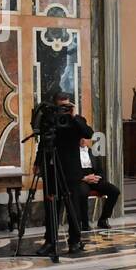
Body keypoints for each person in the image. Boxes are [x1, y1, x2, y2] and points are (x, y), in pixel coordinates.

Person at [39, 91, 93, 257]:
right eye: (61, 106)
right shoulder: (49, 120)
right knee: (51, 208)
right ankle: (50, 242)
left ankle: (75, 241)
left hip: (71, 171)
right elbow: (43, 141)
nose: (64, 109)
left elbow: (88, 133)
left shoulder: (77, 120)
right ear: (55, 105)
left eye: (67, 106)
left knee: (73, 208)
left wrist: (74, 116)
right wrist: (37, 163)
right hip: (52, 169)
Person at [75, 137, 120, 230]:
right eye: (81, 138)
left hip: (94, 179)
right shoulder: (72, 153)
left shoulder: (93, 152)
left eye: (85, 138)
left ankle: (103, 219)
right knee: (82, 193)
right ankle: (84, 223)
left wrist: (96, 177)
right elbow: (70, 172)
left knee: (114, 191)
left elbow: (100, 171)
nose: (83, 140)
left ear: (89, 140)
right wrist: (84, 178)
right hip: (81, 180)